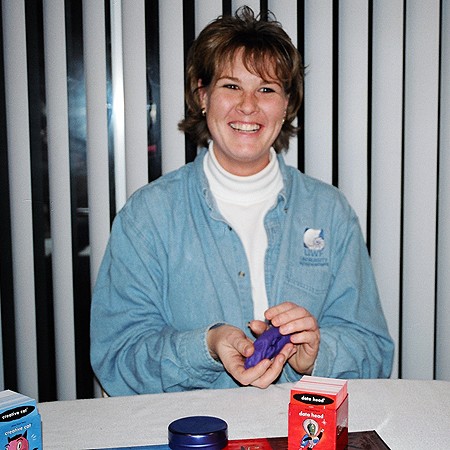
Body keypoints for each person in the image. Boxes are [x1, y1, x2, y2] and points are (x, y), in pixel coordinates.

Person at [90, 6, 394, 396]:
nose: (248, 105)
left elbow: (373, 349)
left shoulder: (330, 212)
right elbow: (117, 356)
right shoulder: (147, 217)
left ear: (287, 105)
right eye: (231, 86)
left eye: (266, 89)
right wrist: (207, 346)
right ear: (202, 95)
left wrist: (316, 356)